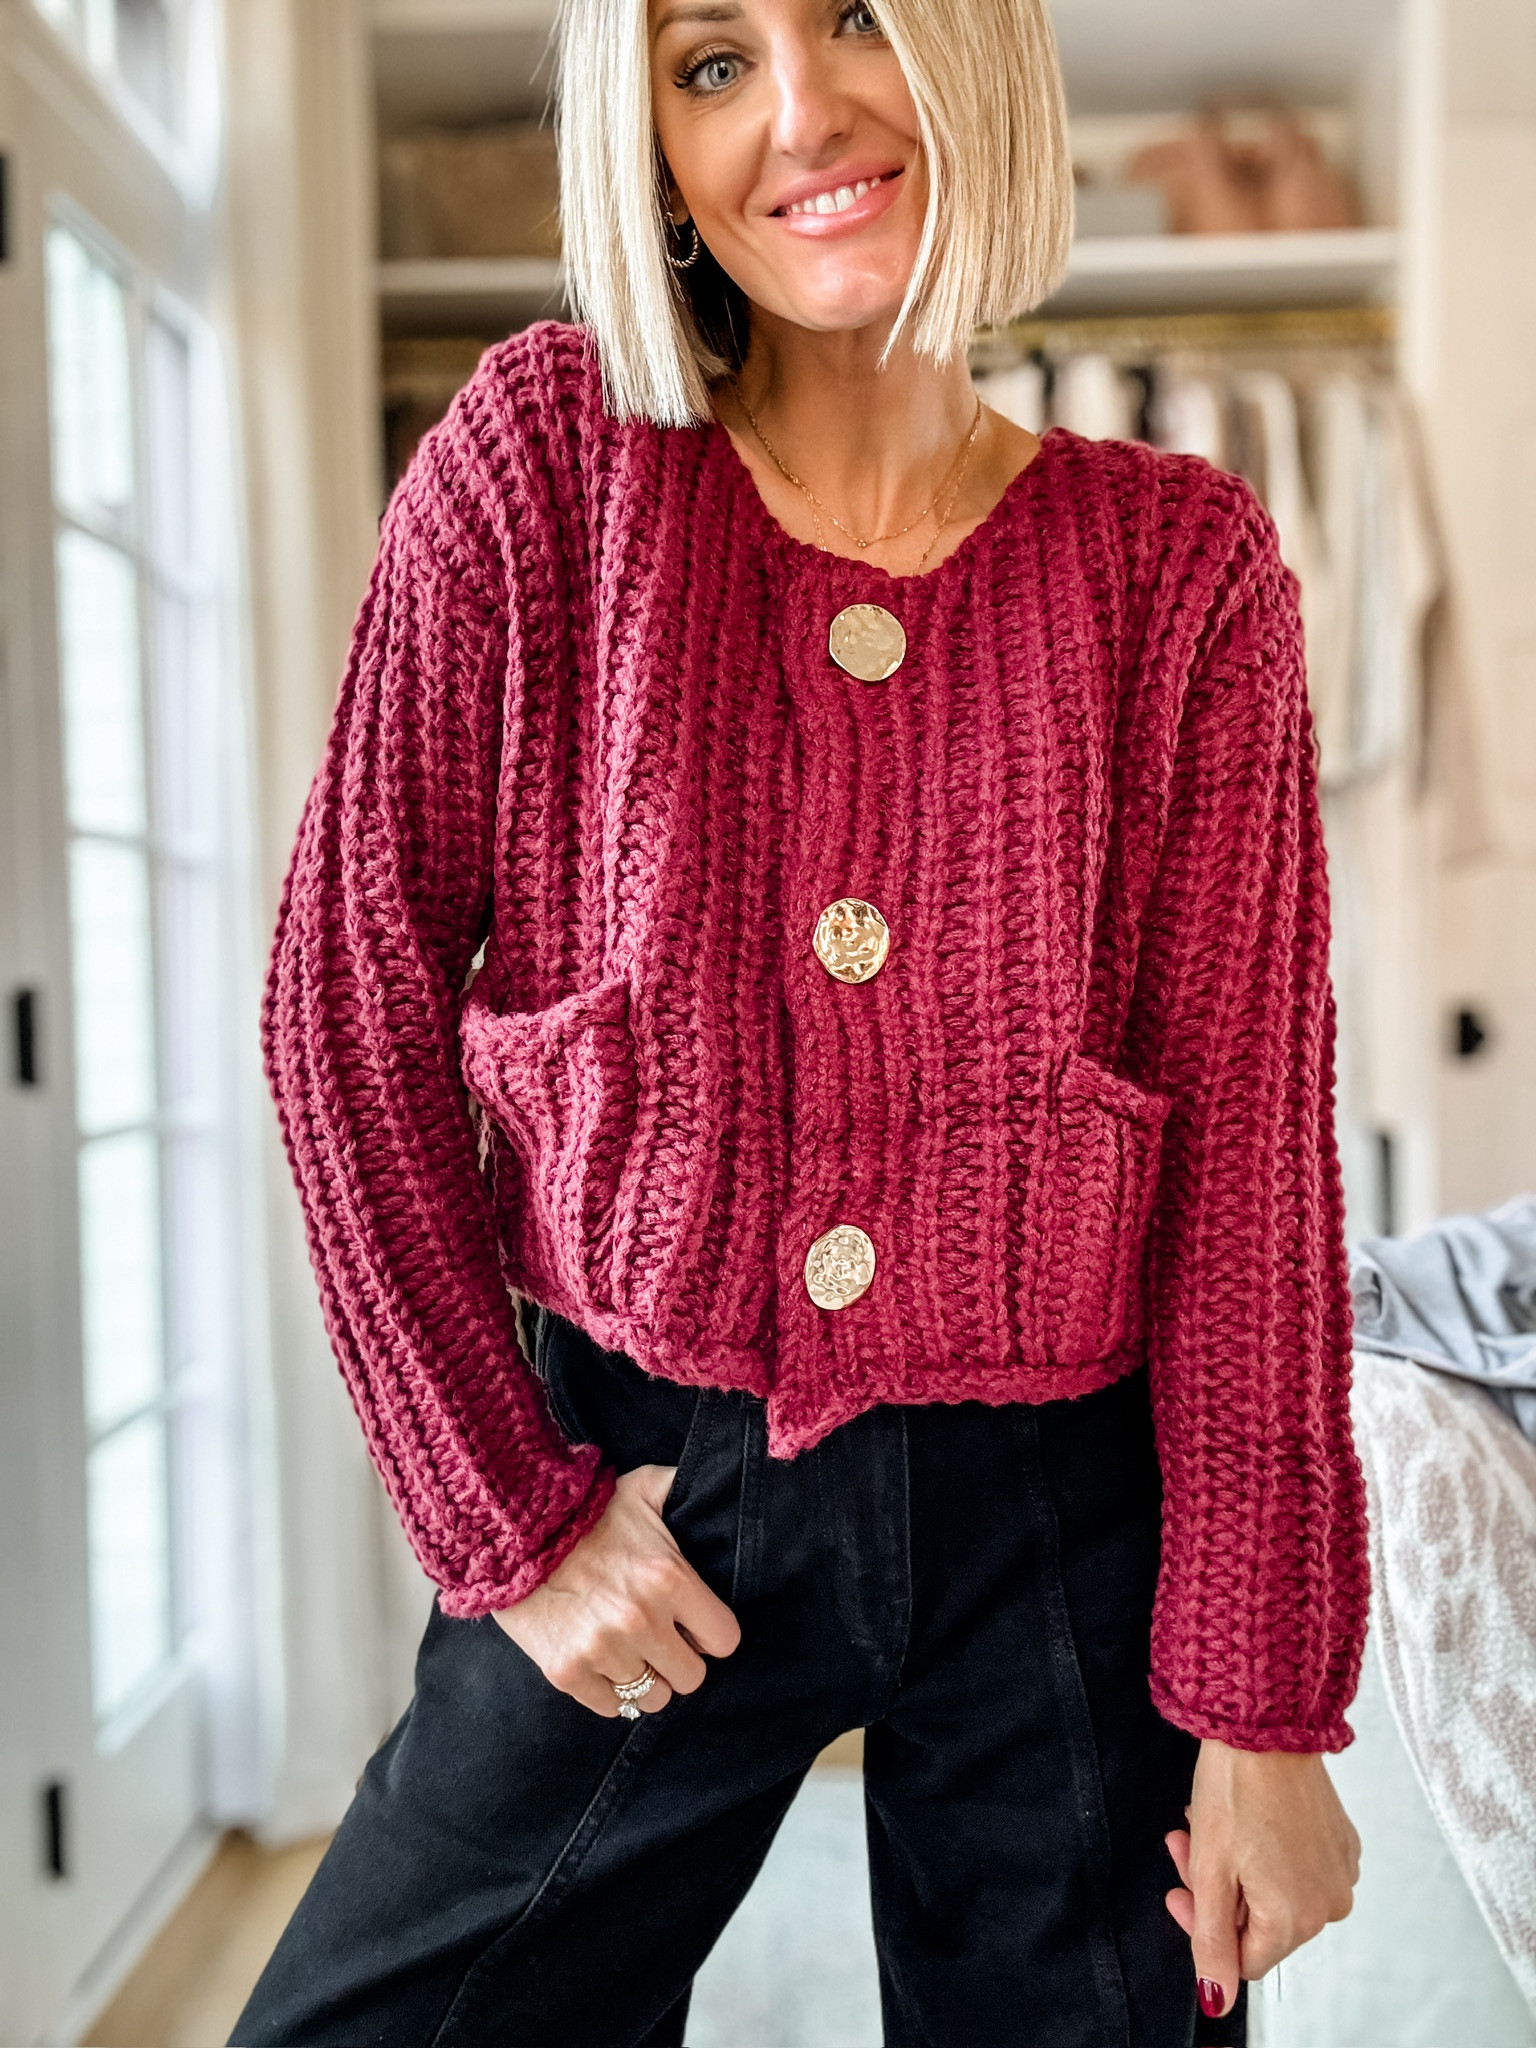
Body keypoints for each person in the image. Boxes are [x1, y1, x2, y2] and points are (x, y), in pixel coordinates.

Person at [235, 0, 1366, 2041]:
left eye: (855, 15)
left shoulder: (1181, 571)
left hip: (1062, 1519)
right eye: (710, 61)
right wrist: (504, 1514)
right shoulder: (541, 469)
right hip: (647, 1470)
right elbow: (344, 993)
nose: (804, 109)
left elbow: (1254, 1153)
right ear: (648, 138)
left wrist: (1264, 1699)